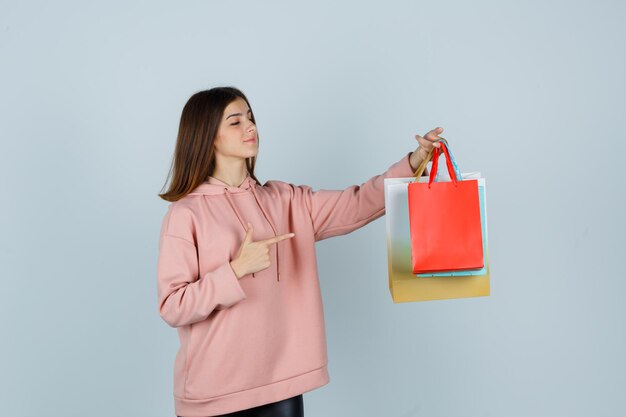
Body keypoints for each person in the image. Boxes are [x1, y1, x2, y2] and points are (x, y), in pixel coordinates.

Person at [157, 86, 442, 417]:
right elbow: (172, 306)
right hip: (212, 395)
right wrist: (234, 270)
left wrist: (414, 163)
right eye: (235, 122)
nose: (251, 127)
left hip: (282, 387)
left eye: (250, 117)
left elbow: (358, 203)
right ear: (208, 137)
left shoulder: (286, 200)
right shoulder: (186, 214)